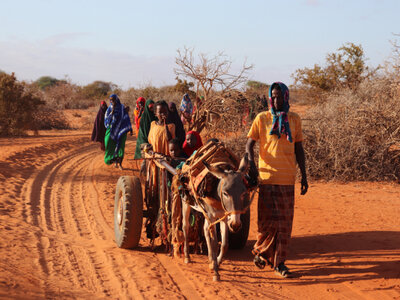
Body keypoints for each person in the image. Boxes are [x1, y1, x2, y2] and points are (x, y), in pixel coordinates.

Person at [246, 82, 308, 278]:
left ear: (286, 97)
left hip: (287, 179)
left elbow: (299, 150)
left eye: (280, 96)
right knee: (265, 222)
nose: (276, 100)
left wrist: (304, 175)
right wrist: (252, 165)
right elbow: (249, 145)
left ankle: (280, 263)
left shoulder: (295, 119)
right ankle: (262, 253)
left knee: (283, 225)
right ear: (269, 98)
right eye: (273, 96)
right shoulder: (262, 118)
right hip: (266, 178)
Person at [104, 94, 133, 170]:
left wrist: (129, 128)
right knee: (108, 143)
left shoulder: (122, 107)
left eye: (113, 100)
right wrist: (112, 114)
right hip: (112, 130)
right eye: (111, 100)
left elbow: (126, 118)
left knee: (120, 147)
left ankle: (119, 163)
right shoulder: (110, 108)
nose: (112, 101)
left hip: (121, 131)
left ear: (116, 100)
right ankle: (112, 160)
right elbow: (106, 118)